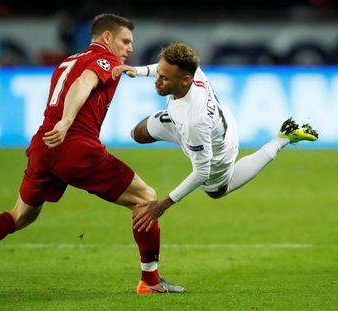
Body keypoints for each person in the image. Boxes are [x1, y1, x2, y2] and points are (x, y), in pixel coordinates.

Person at [0, 14, 184, 295]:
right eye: (125, 41)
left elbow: (74, 83)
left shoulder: (68, 61)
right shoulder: (105, 59)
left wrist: (60, 124)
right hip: (75, 146)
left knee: (21, 215)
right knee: (146, 198)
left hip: (43, 147)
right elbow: (83, 84)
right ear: (107, 38)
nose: (129, 48)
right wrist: (66, 122)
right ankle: (150, 281)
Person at [112, 43, 319, 232]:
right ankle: (185, 137)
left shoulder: (194, 120)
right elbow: (163, 67)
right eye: (159, 75)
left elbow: (202, 172)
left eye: (164, 79)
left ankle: (283, 138)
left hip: (218, 147)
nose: (157, 82)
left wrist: (164, 204)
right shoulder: (193, 71)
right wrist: (137, 71)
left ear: (185, 81)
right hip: (200, 121)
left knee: (217, 190)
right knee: (137, 134)